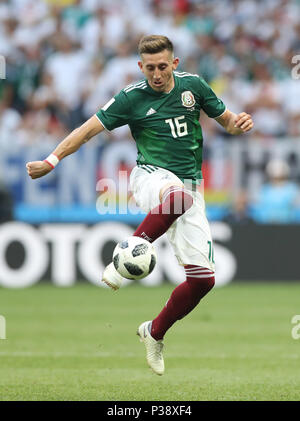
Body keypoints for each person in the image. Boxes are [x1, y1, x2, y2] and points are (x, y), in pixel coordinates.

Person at [26, 35, 253, 376]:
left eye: (163, 66)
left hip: (191, 188)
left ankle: (154, 332)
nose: (157, 74)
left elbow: (229, 122)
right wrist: (51, 160)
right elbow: (86, 131)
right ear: (140, 66)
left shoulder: (195, 87)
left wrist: (240, 124)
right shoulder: (131, 98)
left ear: (174, 64)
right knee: (177, 196)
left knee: (203, 280)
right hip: (150, 177)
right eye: (150, 68)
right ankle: (126, 256)